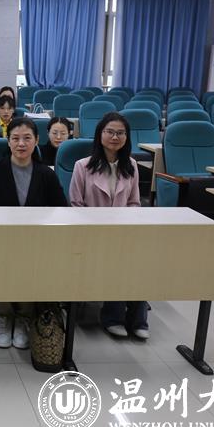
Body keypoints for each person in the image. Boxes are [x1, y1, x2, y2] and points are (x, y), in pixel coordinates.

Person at [0, 117, 67, 350]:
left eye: (27, 138)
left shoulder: (46, 174)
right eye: (15, 138)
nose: (21, 144)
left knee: (31, 266)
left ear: (36, 140)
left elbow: (61, 210)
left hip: (35, 240)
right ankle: (4, 315)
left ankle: (24, 317)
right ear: (8, 141)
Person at [69, 113, 148, 340]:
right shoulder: (82, 166)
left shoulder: (131, 165)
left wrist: (126, 227)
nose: (115, 137)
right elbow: (75, 204)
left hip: (123, 232)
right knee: (117, 259)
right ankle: (113, 317)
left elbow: (134, 202)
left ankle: (138, 319)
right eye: (110, 132)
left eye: (120, 133)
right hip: (91, 233)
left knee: (138, 259)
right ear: (100, 134)